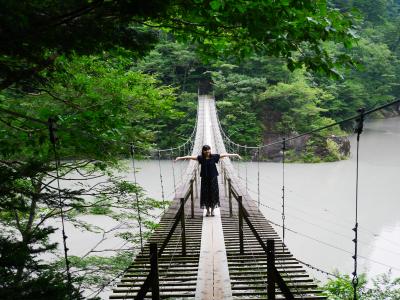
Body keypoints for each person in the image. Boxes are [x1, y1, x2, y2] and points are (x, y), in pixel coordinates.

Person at [175, 145, 241, 216]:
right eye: (206, 150)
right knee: (205, 194)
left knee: (213, 194)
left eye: (209, 149)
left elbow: (225, 154)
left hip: (213, 179)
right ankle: (207, 211)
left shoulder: (214, 156)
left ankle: (212, 211)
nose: (208, 151)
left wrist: (236, 155)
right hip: (205, 179)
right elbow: (189, 157)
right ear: (203, 151)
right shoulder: (200, 158)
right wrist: (180, 158)